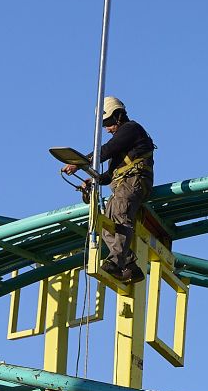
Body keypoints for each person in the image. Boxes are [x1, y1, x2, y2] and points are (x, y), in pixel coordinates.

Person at [61, 96, 155, 283]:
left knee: (120, 215)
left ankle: (114, 262)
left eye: (109, 122)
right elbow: (109, 175)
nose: (107, 127)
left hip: (134, 181)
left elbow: (105, 150)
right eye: (104, 123)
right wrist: (92, 179)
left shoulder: (131, 129)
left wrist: (79, 163)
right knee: (105, 225)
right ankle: (129, 265)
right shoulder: (122, 143)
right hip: (122, 184)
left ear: (119, 116)